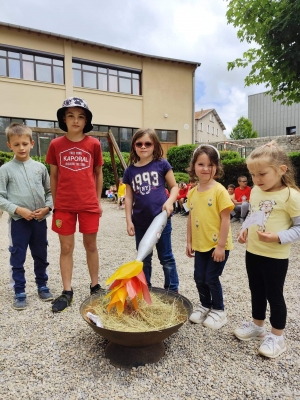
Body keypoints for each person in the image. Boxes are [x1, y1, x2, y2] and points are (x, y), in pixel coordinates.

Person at [234, 141, 300, 358]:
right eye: (252, 174)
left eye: (261, 174)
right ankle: (258, 325)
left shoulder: (291, 196)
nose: (256, 179)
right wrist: (245, 229)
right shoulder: (255, 191)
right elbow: (254, 215)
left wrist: (278, 237)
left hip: (275, 256)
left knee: (274, 294)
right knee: (256, 290)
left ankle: (277, 336)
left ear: (281, 170)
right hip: (253, 252)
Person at [46, 97, 103, 313]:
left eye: (80, 116)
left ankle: (95, 286)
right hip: (64, 206)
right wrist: (55, 201)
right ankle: (67, 291)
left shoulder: (94, 144)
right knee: (66, 248)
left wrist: (97, 201)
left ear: (86, 120)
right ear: (64, 119)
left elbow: (98, 174)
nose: (76, 120)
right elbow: (54, 175)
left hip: (88, 204)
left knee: (91, 246)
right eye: (71, 115)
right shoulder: (55, 145)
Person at [0, 123, 53, 310]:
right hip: (18, 223)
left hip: (39, 221)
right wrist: (17, 209)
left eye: (24, 143)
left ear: (31, 143)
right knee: (18, 256)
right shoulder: (5, 170)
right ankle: (19, 290)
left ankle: (42, 284)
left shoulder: (40, 168)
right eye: (16, 145)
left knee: (41, 254)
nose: (21, 148)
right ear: (9, 146)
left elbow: (50, 192)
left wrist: (47, 208)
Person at [123, 128, 179, 292]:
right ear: (134, 146)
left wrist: (169, 202)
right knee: (144, 258)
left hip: (161, 220)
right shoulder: (130, 171)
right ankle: (145, 287)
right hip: (140, 222)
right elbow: (129, 197)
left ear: (154, 145)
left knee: (166, 257)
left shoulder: (162, 164)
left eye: (148, 143)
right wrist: (128, 220)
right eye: (139, 143)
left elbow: (174, 187)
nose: (143, 146)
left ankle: (172, 289)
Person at [186, 144, 234, 329]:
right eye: (201, 164)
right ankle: (205, 305)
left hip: (217, 245)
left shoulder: (219, 190)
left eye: (210, 164)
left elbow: (226, 219)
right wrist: (189, 241)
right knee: (199, 277)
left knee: (211, 278)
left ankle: (219, 311)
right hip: (200, 245)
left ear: (217, 167)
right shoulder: (192, 192)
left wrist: (221, 246)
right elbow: (191, 217)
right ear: (194, 166)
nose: (206, 168)